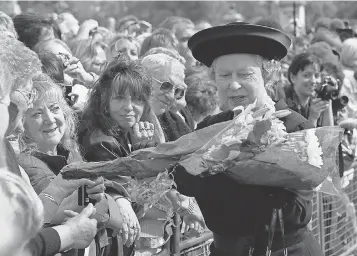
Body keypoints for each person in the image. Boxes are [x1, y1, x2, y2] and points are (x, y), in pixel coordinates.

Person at [171, 22, 324, 256]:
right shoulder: (208, 129)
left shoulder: (294, 127)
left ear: (267, 73)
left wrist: (254, 168)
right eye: (224, 75)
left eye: (245, 74)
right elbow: (186, 185)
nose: (233, 84)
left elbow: (299, 210)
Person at [141, 53, 194, 141]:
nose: (172, 97)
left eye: (177, 91)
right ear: (144, 79)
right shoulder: (124, 115)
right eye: (166, 86)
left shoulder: (174, 122)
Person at [284, 52, 331, 127]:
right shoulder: (283, 103)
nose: (313, 81)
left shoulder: (316, 100)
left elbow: (330, 136)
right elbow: (302, 137)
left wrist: (328, 99)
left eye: (316, 75)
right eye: (306, 75)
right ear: (293, 77)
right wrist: (313, 117)